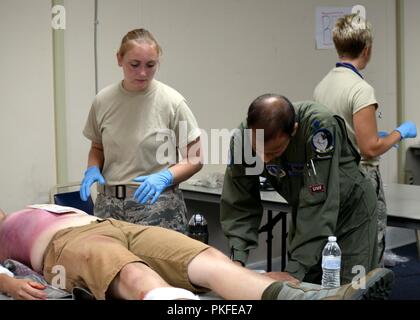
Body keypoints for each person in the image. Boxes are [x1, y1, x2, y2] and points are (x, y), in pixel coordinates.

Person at [0, 205, 393, 300]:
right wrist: (10, 283)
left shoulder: (23, 206)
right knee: (135, 276)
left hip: (112, 223)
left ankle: (316, 296)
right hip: (65, 246)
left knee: (207, 260)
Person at [221, 94, 380, 285]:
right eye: (259, 150)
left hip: (351, 215)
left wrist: (294, 270)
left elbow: (319, 200)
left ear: (294, 130)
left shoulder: (319, 128)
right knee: (306, 287)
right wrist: (237, 259)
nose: (265, 159)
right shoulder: (242, 138)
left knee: (351, 288)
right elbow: (240, 200)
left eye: (274, 151)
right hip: (306, 213)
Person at [313, 14, 417, 263]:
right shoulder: (360, 89)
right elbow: (370, 149)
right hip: (361, 179)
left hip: (332, 177)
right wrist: (398, 133)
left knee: (341, 244)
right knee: (368, 245)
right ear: (367, 49)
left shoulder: (322, 86)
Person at [80, 28, 203, 233]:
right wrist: (92, 168)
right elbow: (97, 147)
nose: (143, 72)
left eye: (150, 65)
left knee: (155, 265)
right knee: (110, 264)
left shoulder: (172, 102)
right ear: (119, 59)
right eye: (134, 65)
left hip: (157, 207)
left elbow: (196, 158)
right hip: (109, 206)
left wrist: (166, 177)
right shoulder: (103, 100)